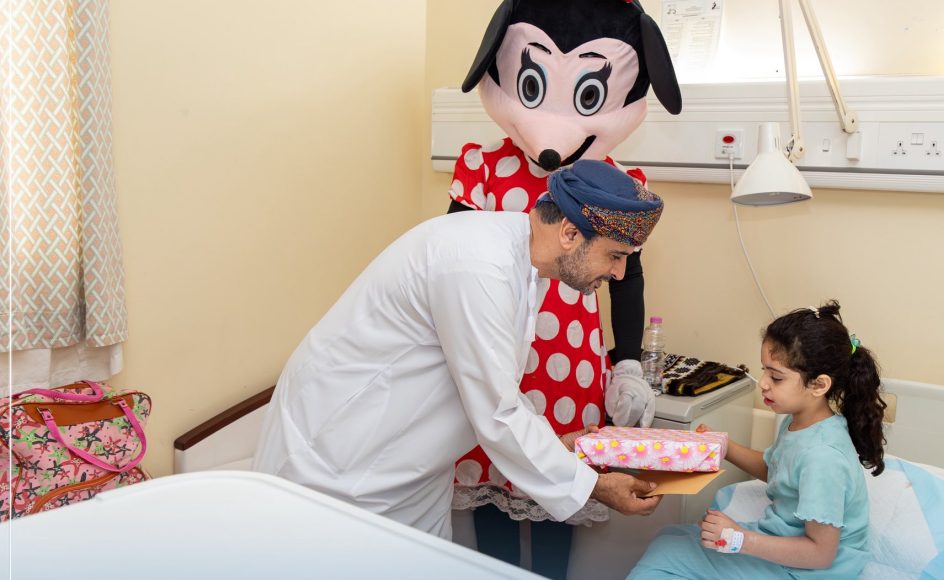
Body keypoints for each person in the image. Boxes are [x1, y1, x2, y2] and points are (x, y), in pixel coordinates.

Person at [252, 160, 665, 539]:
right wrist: (594, 486)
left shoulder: (520, 262)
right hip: (341, 460)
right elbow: (497, 412)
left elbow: (494, 385)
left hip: (411, 468)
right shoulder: (478, 264)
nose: (619, 272)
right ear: (570, 233)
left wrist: (554, 444)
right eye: (615, 255)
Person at [448, 1, 681, 575]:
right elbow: (451, 264)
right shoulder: (482, 168)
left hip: (568, 363)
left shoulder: (617, 185)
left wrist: (627, 363)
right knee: (495, 495)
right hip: (494, 356)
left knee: (562, 494)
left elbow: (628, 279)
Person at [627, 300, 887, 579]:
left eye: (776, 377)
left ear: (819, 385)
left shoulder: (823, 457)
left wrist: (740, 539)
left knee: (663, 563)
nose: (762, 383)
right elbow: (777, 470)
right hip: (788, 547)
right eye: (764, 370)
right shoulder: (800, 421)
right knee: (669, 538)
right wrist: (725, 446)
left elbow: (820, 554)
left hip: (807, 571)